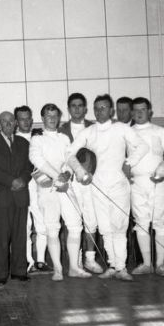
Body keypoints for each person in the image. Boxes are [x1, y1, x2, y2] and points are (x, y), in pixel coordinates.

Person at [66, 94, 148, 282]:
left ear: (111, 110)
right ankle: (112, 266)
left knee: (119, 227)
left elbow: (142, 146)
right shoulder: (89, 132)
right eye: (97, 108)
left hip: (119, 184)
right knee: (105, 228)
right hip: (98, 186)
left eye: (103, 108)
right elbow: (69, 153)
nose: (99, 111)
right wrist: (81, 172)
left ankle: (122, 268)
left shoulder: (121, 128)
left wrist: (129, 162)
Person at [29, 103, 91, 281]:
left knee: (75, 225)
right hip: (47, 188)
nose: (52, 119)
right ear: (43, 118)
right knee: (52, 228)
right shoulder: (37, 139)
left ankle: (74, 267)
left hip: (65, 186)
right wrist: (57, 176)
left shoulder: (64, 138)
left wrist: (72, 172)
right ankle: (57, 269)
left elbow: (69, 158)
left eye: (55, 116)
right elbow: (36, 159)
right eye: (49, 116)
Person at [0, 111, 32, 286]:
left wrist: (23, 180)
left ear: (16, 123)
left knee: (20, 236)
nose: (8, 124)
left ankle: (19, 271)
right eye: (4, 121)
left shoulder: (23, 143)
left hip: (20, 195)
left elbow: (29, 166)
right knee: (1, 237)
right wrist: (12, 181)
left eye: (11, 120)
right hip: (1, 196)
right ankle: (2, 274)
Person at [58, 93, 103, 274]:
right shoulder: (61, 131)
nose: (77, 109)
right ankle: (75, 261)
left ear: (85, 109)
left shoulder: (94, 128)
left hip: (91, 181)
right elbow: (61, 157)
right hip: (70, 182)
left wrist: (90, 172)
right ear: (68, 109)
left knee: (91, 220)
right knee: (73, 223)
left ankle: (90, 259)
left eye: (80, 106)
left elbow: (100, 154)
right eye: (73, 106)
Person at [130, 98, 164, 276]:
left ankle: (160, 264)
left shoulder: (160, 131)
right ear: (132, 113)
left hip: (158, 182)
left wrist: (162, 169)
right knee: (141, 222)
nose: (139, 113)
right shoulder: (127, 132)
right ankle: (146, 264)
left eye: (143, 109)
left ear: (150, 112)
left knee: (160, 222)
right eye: (136, 110)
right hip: (136, 182)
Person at [14, 105, 50, 274]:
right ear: (16, 121)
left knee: (43, 225)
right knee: (25, 227)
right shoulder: (13, 140)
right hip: (23, 189)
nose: (26, 122)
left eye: (28, 118)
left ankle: (41, 261)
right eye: (22, 119)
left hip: (41, 187)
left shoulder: (40, 137)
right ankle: (29, 261)